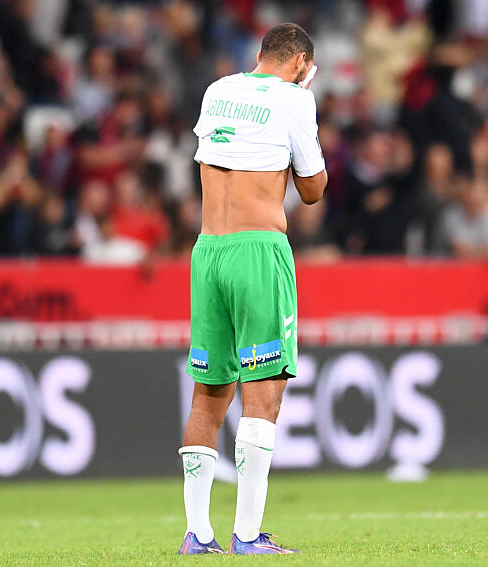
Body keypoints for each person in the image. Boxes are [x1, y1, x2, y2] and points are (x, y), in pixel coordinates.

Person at [178, 23, 327, 556]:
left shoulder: (218, 90)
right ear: (301, 63)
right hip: (257, 250)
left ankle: (198, 534)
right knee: (264, 389)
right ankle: (246, 535)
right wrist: (302, 102)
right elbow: (312, 191)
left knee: (208, 391)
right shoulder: (294, 98)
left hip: (208, 250)